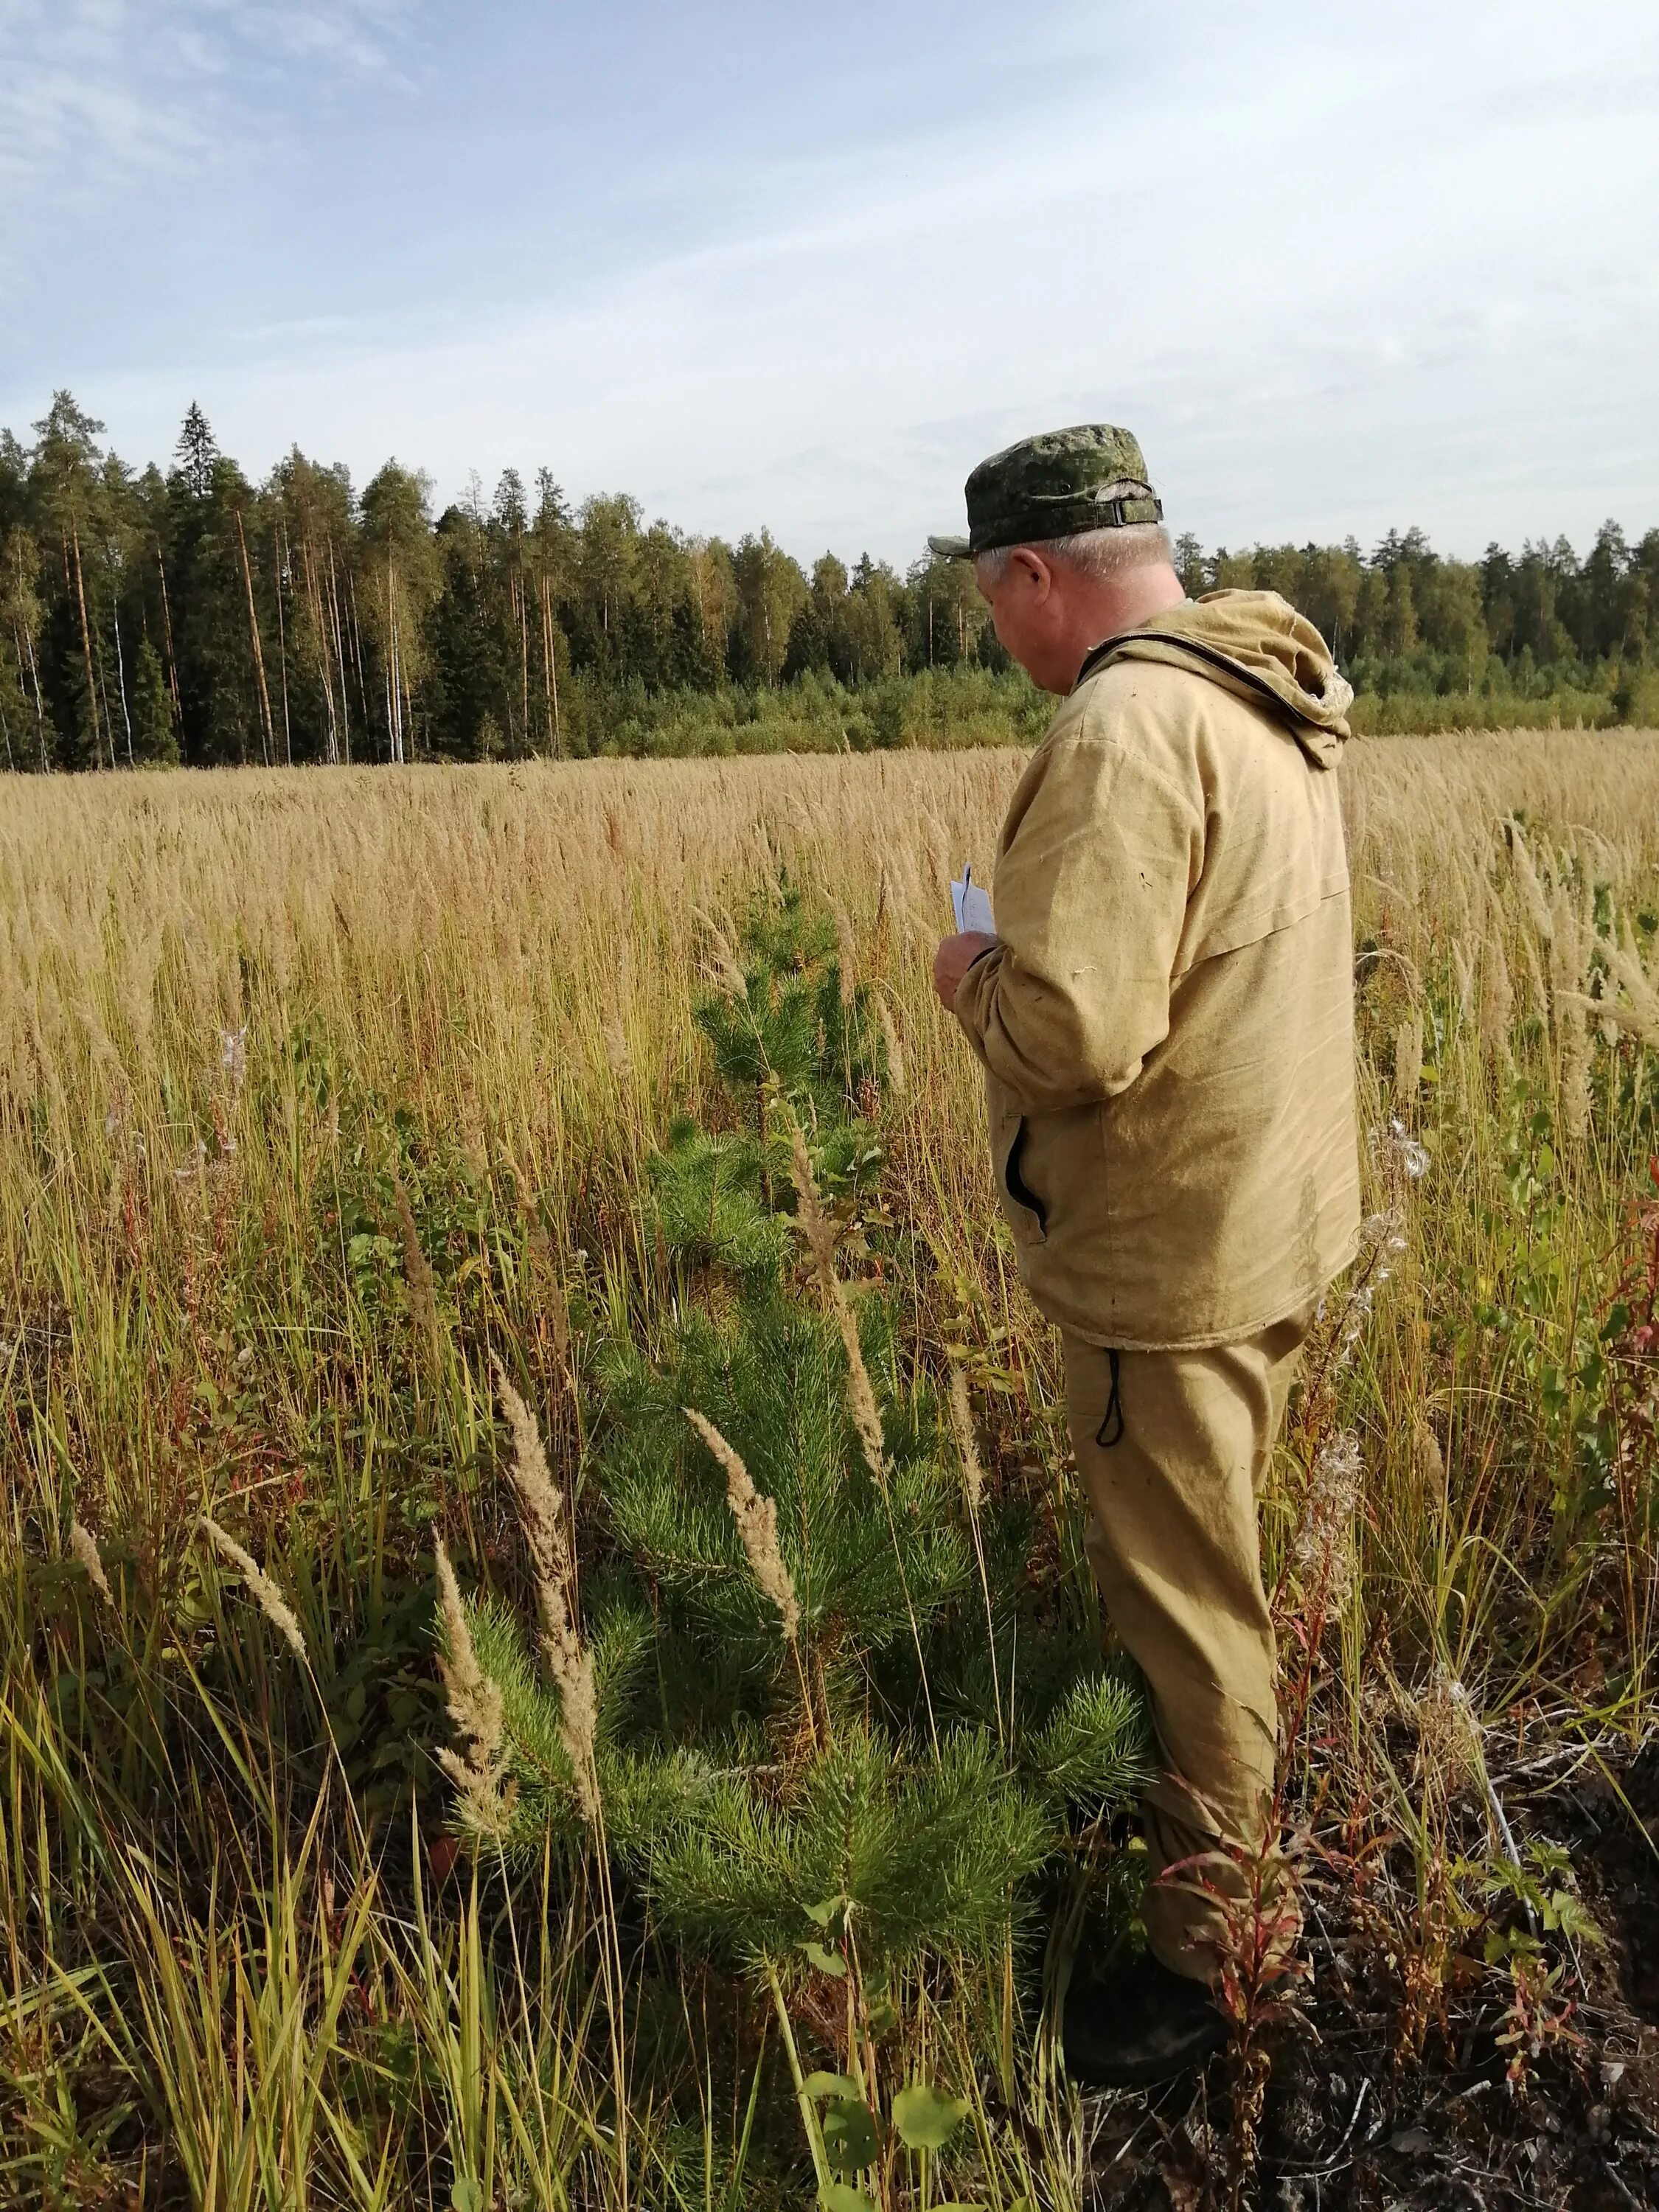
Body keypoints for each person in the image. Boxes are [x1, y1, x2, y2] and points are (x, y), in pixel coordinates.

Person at [929, 425, 1360, 2087]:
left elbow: (1077, 1032)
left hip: (1167, 1269)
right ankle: (1238, 1848)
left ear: (1037, 576)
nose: (1001, 642)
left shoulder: (1122, 726)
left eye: (994, 604)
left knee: (1190, 1621)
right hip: (1271, 1218)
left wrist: (971, 964)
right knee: (1223, 1581)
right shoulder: (1262, 688)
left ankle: (1205, 1978)